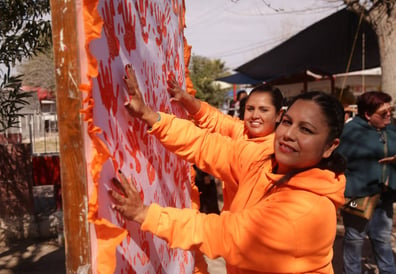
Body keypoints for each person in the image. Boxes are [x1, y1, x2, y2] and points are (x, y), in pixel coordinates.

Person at [108, 64, 346, 273]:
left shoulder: (306, 211)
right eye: (288, 123)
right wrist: (150, 116)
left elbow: (221, 233)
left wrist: (145, 214)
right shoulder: (264, 158)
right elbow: (206, 144)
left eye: (306, 130)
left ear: (330, 147)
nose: (289, 135)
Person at [167, 74, 284, 210]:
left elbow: (203, 146)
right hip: (229, 221)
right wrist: (186, 99)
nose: (255, 116)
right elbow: (213, 118)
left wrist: (151, 118)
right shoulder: (242, 130)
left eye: (264, 110)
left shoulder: (278, 152)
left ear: (279, 115)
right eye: (250, 109)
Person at [337, 91, 396, 273]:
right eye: (383, 113)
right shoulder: (350, 132)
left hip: (382, 198)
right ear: (368, 115)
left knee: (382, 239)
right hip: (356, 198)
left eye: (390, 111)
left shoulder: (391, 129)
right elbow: (336, 162)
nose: (388, 116)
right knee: (354, 239)